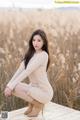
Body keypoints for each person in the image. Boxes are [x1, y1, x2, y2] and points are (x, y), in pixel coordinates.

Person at [4, 29, 53, 117]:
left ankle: (38, 105)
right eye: (34, 40)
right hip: (33, 89)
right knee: (13, 87)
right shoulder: (30, 54)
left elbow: (27, 71)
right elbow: (19, 70)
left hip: (44, 92)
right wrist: (9, 85)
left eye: (39, 40)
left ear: (44, 42)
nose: (36, 43)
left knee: (14, 87)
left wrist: (11, 86)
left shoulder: (43, 55)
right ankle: (33, 104)